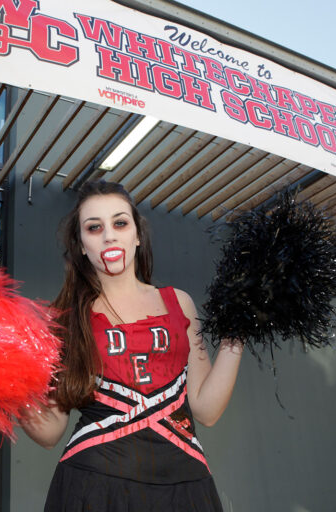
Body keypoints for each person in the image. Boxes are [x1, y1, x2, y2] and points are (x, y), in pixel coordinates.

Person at [20, 180, 242, 511]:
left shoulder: (179, 303)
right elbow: (51, 431)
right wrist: (6, 383)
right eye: (94, 228)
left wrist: (237, 331)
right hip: (93, 489)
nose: (109, 235)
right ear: (81, 245)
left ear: (137, 235)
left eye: (120, 223)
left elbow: (207, 410)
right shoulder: (63, 319)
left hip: (186, 489)